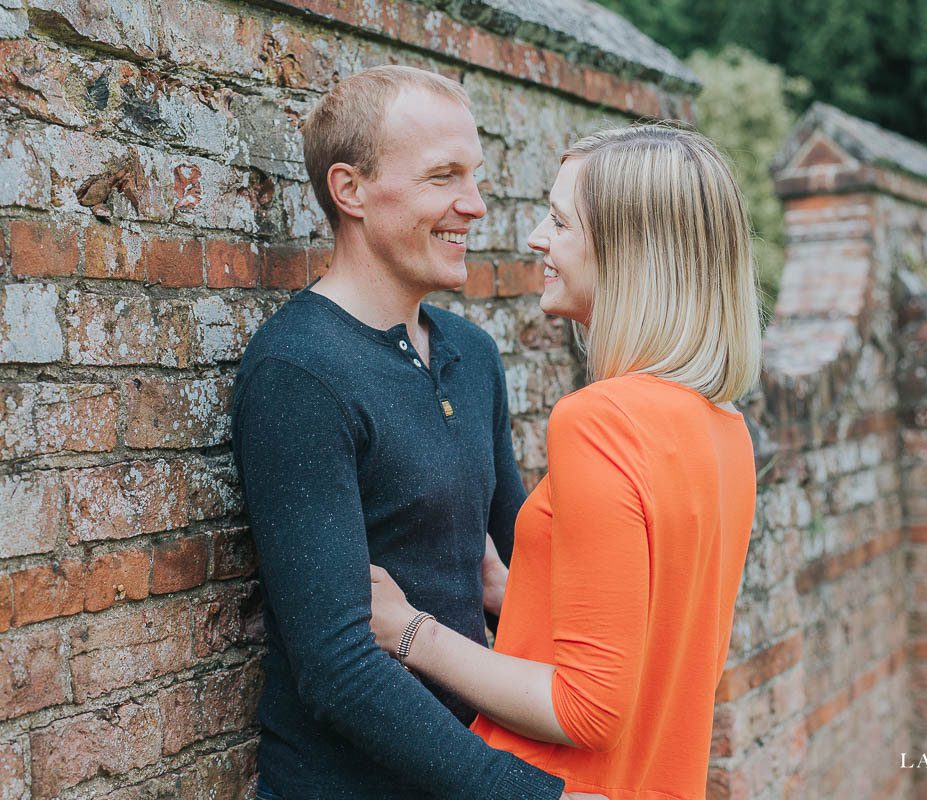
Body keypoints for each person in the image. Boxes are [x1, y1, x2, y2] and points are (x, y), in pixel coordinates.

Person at [231, 65, 601, 800]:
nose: (474, 204)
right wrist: (531, 795)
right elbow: (338, 663)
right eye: (443, 177)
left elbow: (515, 575)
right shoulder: (298, 373)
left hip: (472, 765)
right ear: (351, 190)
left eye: (475, 175)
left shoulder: (472, 355)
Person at [368, 124, 762, 799]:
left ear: (629, 253)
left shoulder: (600, 421)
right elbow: (653, 630)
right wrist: (515, 592)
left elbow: (588, 709)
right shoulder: (726, 431)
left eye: (559, 221)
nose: (536, 239)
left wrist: (408, 632)